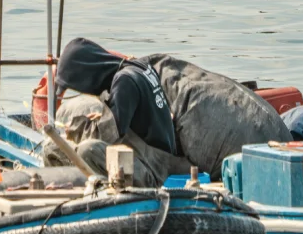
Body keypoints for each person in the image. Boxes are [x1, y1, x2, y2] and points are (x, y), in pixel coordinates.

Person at [54, 37, 290, 185]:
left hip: (162, 168)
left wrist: (76, 127)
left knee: (87, 150)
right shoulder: (138, 68)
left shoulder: (123, 82)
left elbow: (111, 129)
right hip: (171, 156)